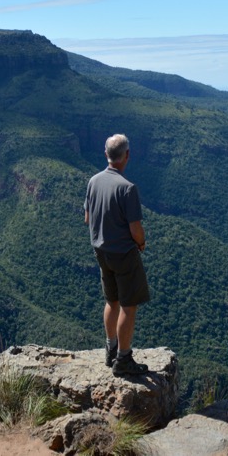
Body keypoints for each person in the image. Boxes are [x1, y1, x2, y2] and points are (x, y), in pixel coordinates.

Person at [83, 133, 150, 376]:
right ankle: (123, 359)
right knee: (128, 306)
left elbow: (87, 218)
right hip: (123, 254)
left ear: (106, 155)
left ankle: (110, 349)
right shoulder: (127, 188)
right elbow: (136, 230)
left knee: (111, 301)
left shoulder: (93, 181)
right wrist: (141, 243)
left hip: (101, 252)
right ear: (127, 155)